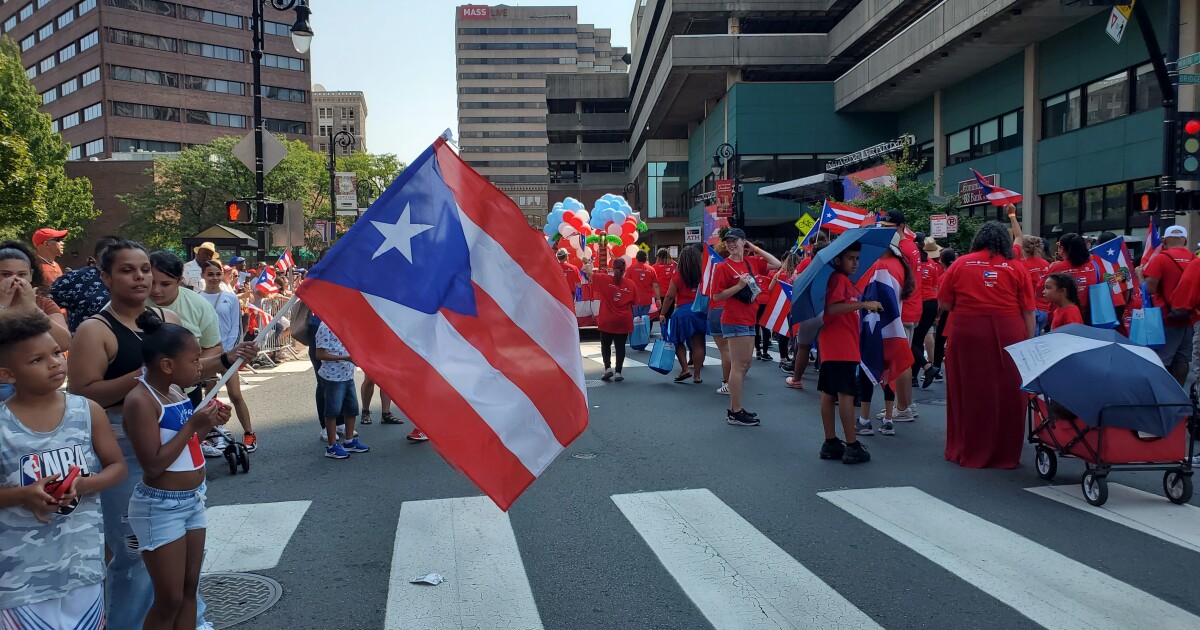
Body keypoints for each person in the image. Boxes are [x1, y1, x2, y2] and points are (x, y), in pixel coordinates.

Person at [68, 240, 253, 629]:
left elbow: (185, 369)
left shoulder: (163, 316)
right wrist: (143, 381)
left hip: (178, 440)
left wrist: (224, 359)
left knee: (182, 564)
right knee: (134, 554)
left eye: (144, 269)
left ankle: (192, 621)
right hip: (126, 445)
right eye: (126, 270)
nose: (139, 277)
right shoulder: (95, 330)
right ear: (105, 277)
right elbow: (82, 394)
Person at [0, 308, 127, 627]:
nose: (55, 362)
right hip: (19, 581)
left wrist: (84, 485)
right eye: (36, 360)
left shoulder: (88, 411)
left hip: (83, 569)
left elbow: (117, 467)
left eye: (57, 352)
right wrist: (22, 495)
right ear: (7, 374)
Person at [122, 312, 231, 630]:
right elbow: (153, 464)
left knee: (188, 590)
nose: (200, 366)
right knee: (168, 598)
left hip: (192, 500)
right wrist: (193, 426)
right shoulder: (141, 400)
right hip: (160, 506)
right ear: (167, 364)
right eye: (195, 359)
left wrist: (209, 422)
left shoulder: (176, 392)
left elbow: (187, 444)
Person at [938, 222, 1034, 469]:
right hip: (1009, 330)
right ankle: (1005, 452)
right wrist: (1029, 344)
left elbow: (946, 304)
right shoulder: (1017, 266)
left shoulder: (960, 263)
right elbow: (1028, 310)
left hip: (967, 331)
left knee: (967, 390)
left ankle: (965, 447)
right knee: (1009, 393)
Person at [817, 242, 881, 464]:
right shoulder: (839, 280)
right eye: (850, 258)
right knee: (845, 394)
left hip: (836, 344)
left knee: (829, 393)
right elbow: (832, 308)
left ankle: (831, 442)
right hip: (840, 345)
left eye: (857, 258)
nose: (855, 262)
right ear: (838, 260)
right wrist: (863, 305)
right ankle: (851, 445)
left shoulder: (842, 280)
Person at [712, 229, 781, 425]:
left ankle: (736, 408)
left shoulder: (751, 262)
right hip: (734, 319)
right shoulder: (723, 267)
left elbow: (777, 264)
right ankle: (735, 410)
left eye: (735, 240)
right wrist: (739, 287)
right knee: (739, 365)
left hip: (749, 318)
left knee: (746, 364)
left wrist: (755, 248)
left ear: (744, 242)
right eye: (728, 241)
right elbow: (717, 296)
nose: (731, 244)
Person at [200, 260, 257, 452]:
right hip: (207, 354)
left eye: (217, 274)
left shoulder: (230, 297)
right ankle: (212, 434)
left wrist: (231, 352)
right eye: (210, 274)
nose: (214, 278)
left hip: (228, 354)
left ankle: (249, 433)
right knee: (209, 396)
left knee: (235, 394)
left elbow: (235, 327)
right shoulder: (197, 298)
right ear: (203, 276)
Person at [1143, 225, 1196, 384]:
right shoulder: (1195, 259)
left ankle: (1164, 396)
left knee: (1162, 359)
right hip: (1189, 317)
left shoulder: (1160, 259)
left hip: (1165, 318)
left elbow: (1150, 289)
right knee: (1182, 359)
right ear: (1185, 240)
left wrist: (1140, 276)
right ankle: (1179, 395)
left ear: (1164, 241)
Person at [314, 319, 372, 458]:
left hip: (347, 374)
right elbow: (319, 354)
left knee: (351, 409)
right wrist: (347, 358)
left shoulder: (346, 325)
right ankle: (332, 446)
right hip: (332, 376)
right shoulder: (325, 327)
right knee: (332, 412)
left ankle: (349, 441)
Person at [0, 241, 72, 353]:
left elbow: (64, 343)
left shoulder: (43, 303)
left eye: (22, 274)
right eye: (6, 274)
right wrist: (2, 305)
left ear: (31, 275)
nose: (15, 280)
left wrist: (32, 308)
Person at [786, 232, 831, 390]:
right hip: (829, 311)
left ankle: (797, 379)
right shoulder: (834, 270)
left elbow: (794, 284)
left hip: (811, 311)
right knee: (825, 346)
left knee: (803, 346)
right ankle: (828, 382)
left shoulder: (808, 267)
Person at [583, 257, 639, 381]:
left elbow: (589, 272)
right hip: (623, 321)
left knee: (605, 345)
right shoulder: (631, 284)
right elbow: (635, 303)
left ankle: (607, 368)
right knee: (620, 347)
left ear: (612, 269)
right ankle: (618, 372)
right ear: (625, 270)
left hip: (607, 319)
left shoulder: (604, 279)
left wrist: (586, 262)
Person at [50, 235, 120, 333]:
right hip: (86, 343)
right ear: (98, 255)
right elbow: (45, 301)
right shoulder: (75, 278)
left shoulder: (130, 278)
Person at [659, 244, 706, 383]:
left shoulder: (678, 276)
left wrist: (662, 313)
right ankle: (697, 375)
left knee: (678, 341)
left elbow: (669, 296)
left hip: (682, 312)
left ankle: (685, 368)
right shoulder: (703, 275)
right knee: (698, 343)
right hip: (699, 311)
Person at [922, 248, 957, 389]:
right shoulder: (954, 273)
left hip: (946, 311)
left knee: (940, 340)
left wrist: (937, 315)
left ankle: (936, 368)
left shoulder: (945, 276)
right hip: (956, 312)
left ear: (941, 260)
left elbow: (942, 299)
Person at [1047, 233, 1101, 323]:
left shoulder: (1057, 268)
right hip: (1091, 314)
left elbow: (1040, 289)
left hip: (1062, 313)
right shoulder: (1093, 265)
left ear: (1062, 248)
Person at [911, 235, 941, 381]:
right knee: (918, 339)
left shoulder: (911, 262)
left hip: (918, 303)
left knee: (911, 341)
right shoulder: (931, 264)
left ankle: (926, 368)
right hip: (931, 303)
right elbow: (935, 287)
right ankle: (914, 377)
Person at [768, 251, 801, 369]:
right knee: (796, 335)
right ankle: (795, 359)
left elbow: (770, 288)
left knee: (782, 332)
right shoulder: (800, 274)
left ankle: (783, 358)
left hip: (782, 305)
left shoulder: (780, 274)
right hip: (796, 306)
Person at [752, 242, 776, 361]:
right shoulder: (765, 263)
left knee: (755, 325)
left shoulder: (751, 261)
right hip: (766, 298)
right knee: (765, 326)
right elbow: (777, 265)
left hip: (755, 297)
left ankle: (758, 351)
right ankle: (765, 351)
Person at [628, 250, 660, 334]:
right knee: (644, 319)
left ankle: (635, 336)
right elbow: (656, 285)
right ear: (646, 258)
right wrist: (658, 299)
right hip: (647, 300)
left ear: (637, 258)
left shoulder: (631, 268)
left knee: (635, 319)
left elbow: (626, 283)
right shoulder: (651, 269)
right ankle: (643, 336)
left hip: (634, 300)